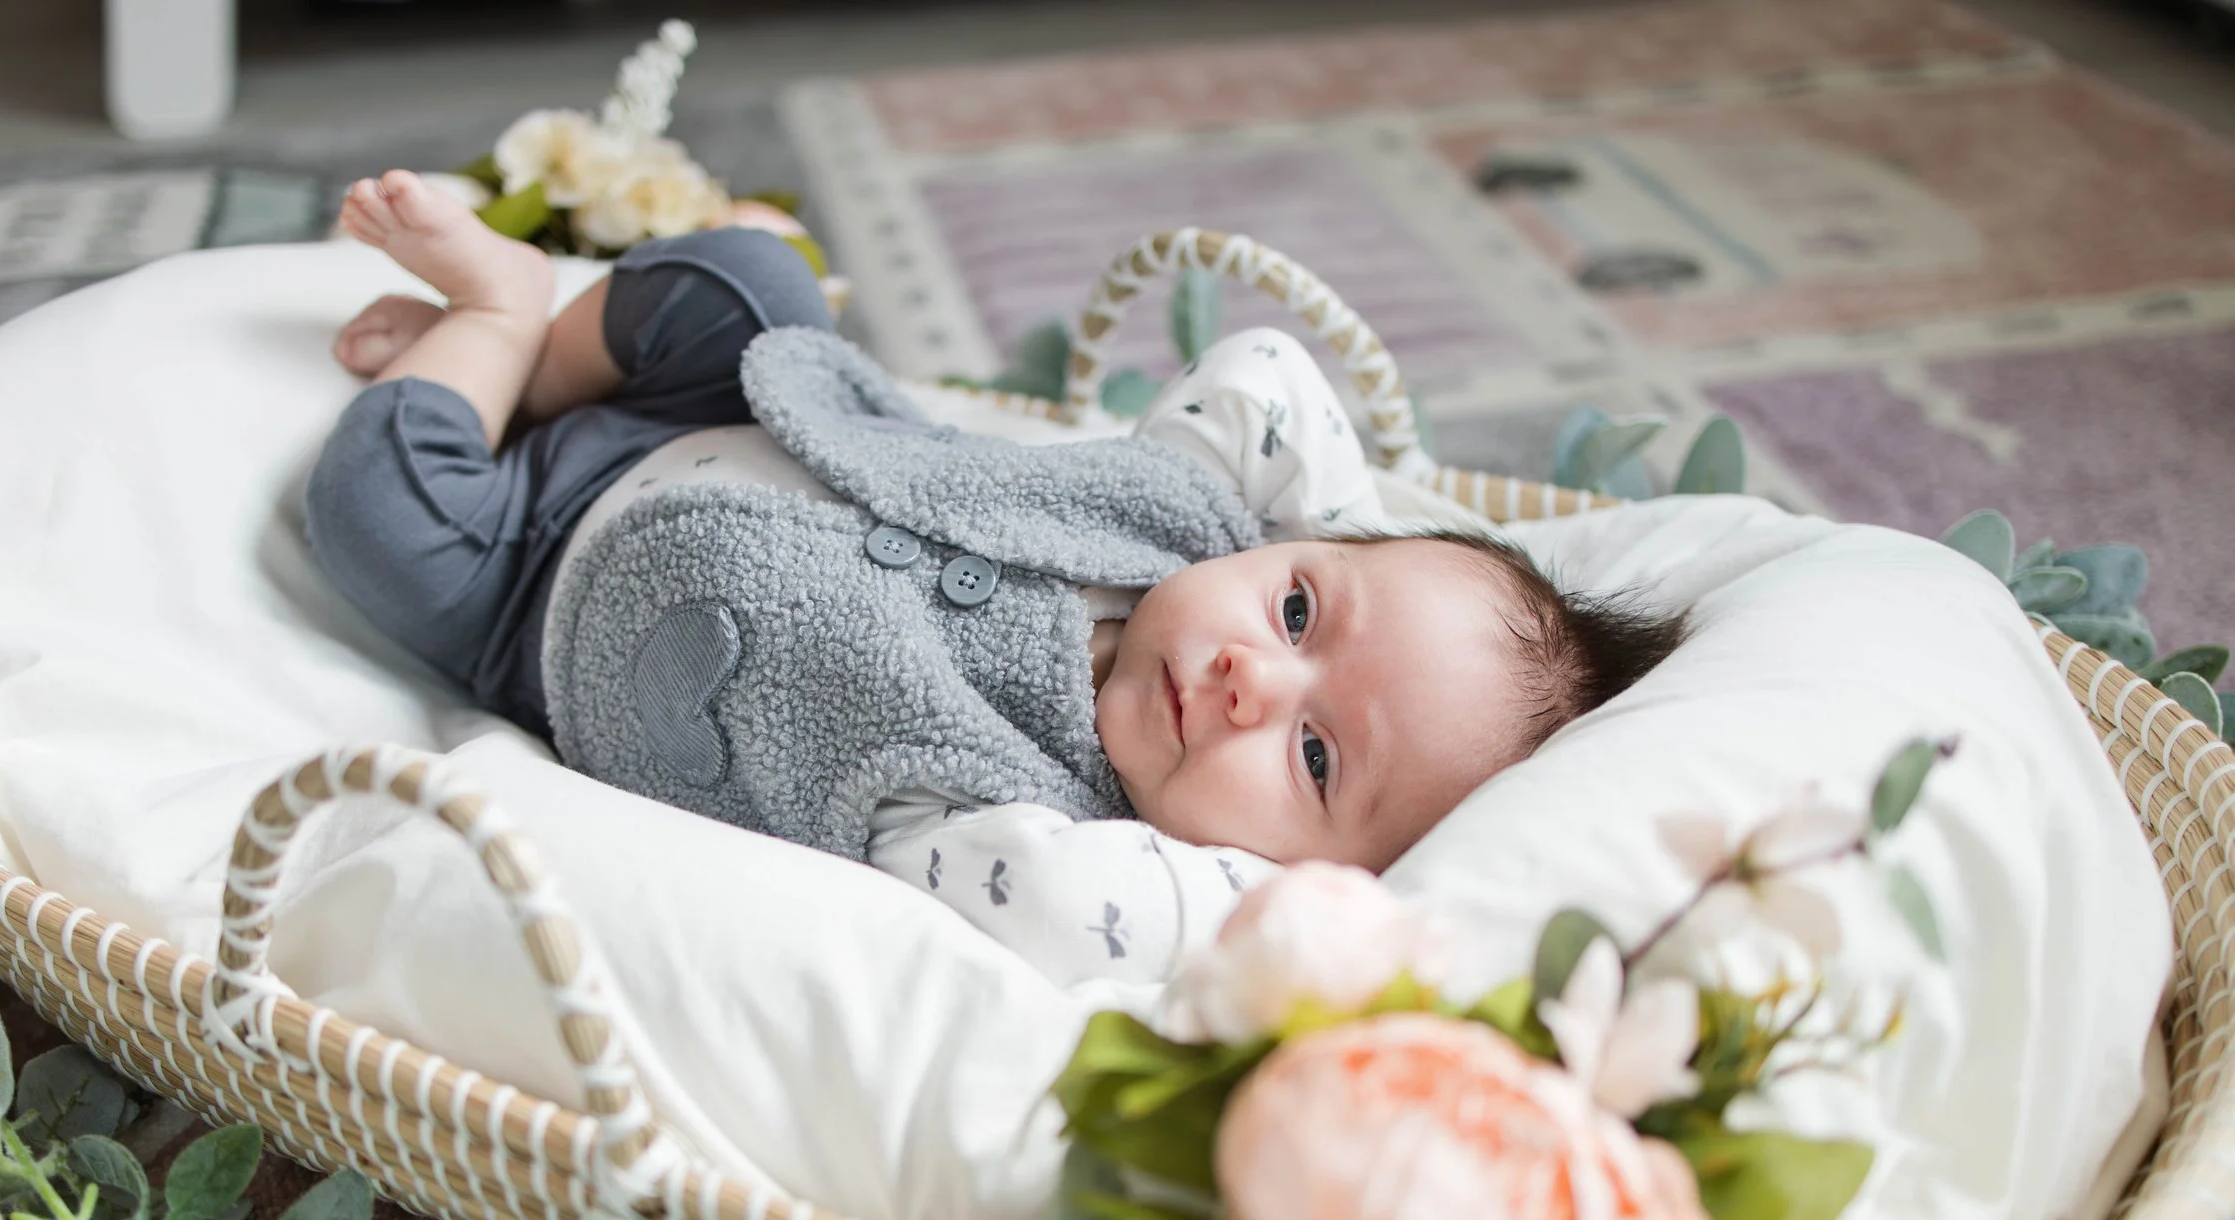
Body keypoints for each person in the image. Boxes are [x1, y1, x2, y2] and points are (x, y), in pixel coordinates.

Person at [307, 170, 1686, 985]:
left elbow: (1156, 934)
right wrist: (1354, 545)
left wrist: (1321, 918)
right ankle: (539, 350)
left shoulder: (1038, 831)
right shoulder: (1183, 524)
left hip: (543, 590)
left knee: (377, 514)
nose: (1247, 675)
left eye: (1317, 756)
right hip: (759, 409)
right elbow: (1264, 380)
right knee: (748, 276)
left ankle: (488, 327)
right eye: (1300, 611)